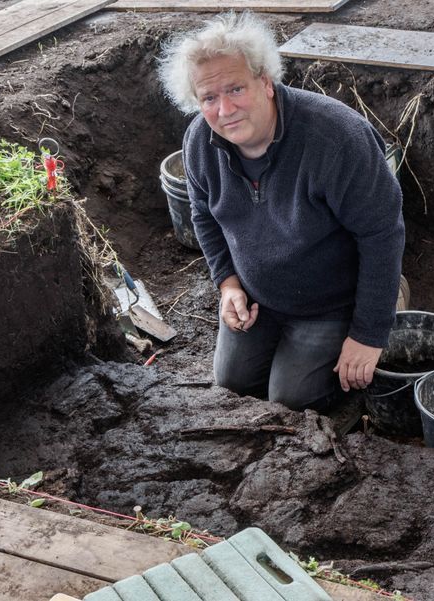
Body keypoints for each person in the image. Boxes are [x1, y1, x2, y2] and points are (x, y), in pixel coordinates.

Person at [158, 12, 405, 411]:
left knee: (291, 400)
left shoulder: (337, 139)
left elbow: (382, 233)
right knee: (232, 385)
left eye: (235, 89)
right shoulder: (200, 143)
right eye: (209, 98)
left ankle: (393, 296)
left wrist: (368, 334)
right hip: (259, 296)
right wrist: (228, 284)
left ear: (266, 82)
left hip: (330, 300)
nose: (224, 110)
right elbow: (202, 213)